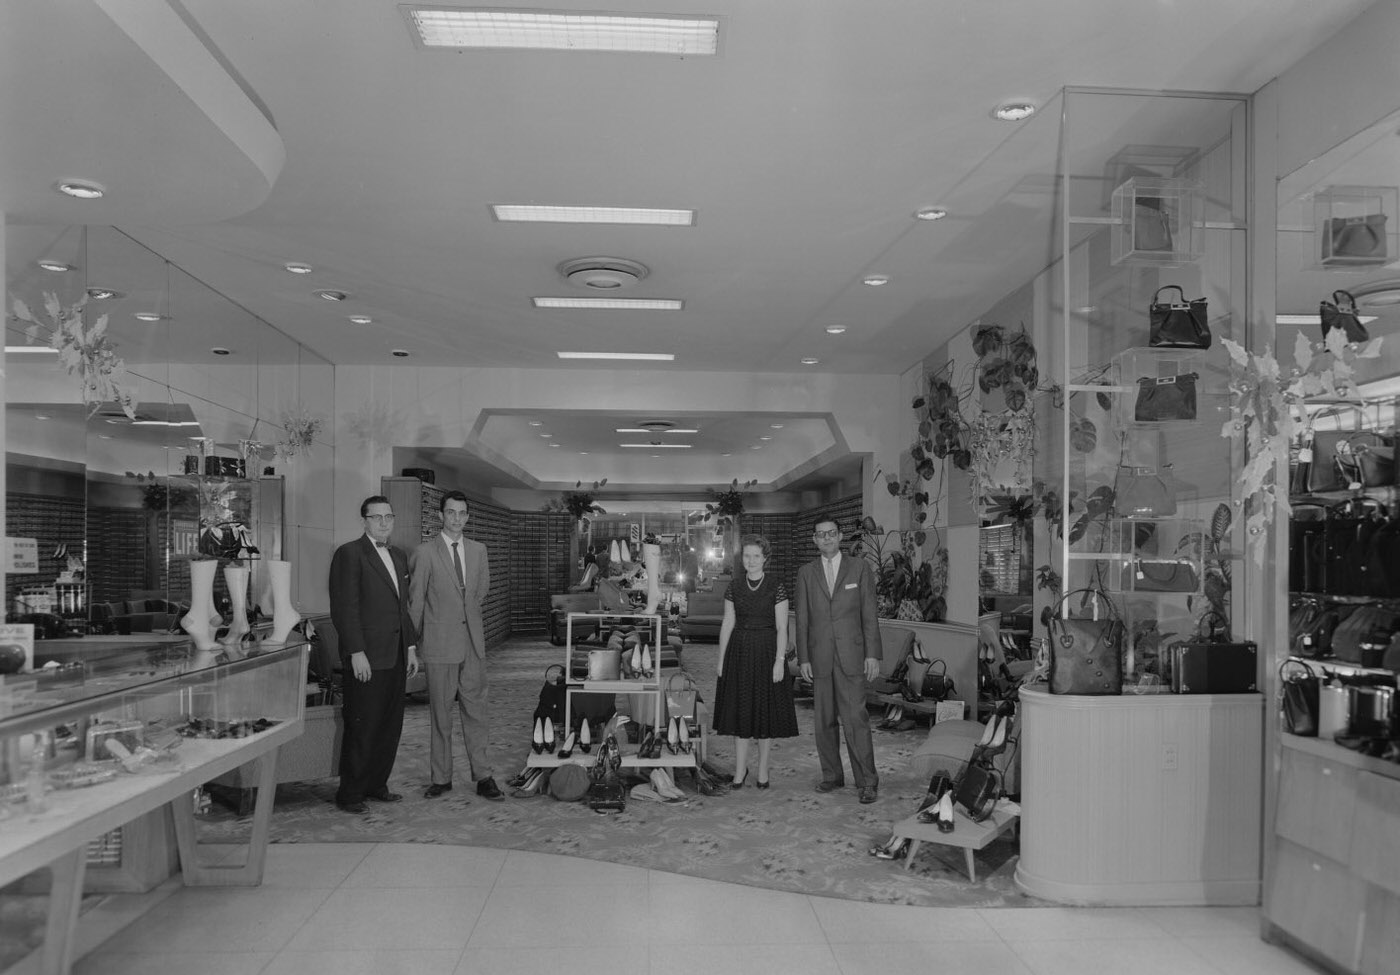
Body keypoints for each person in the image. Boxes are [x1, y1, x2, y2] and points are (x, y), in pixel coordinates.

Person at [407, 490, 502, 801]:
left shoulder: (479, 550)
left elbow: (480, 591)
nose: (457, 518)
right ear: (440, 516)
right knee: (441, 715)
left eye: (462, 513)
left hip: (473, 645)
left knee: (477, 713)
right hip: (439, 645)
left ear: (468, 517)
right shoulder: (425, 553)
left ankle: (484, 775)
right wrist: (412, 645)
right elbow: (416, 601)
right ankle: (441, 777)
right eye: (451, 513)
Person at [329, 495, 420, 813]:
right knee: (362, 724)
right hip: (366, 656)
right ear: (364, 520)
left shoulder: (398, 555)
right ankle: (351, 792)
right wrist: (356, 651)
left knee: (389, 724)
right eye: (377, 517)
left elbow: (402, 609)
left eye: (388, 517)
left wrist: (410, 647)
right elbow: (345, 608)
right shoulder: (350, 554)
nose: (384, 522)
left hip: (394, 654)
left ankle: (376, 783)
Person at [794, 517, 883, 804]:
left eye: (831, 533)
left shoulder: (859, 568)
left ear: (840, 536)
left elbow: (869, 615)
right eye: (821, 535)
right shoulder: (806, 573)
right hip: (819, 657)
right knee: (823, 722)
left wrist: (872, 654)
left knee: (856, 720)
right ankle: (831, 775)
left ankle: (867, 781)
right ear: (814, 540)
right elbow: (803, 619)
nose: (827, 538)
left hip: (852, 656)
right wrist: (803, 657)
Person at [712, 534, 798, 788]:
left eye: (756, 556)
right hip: (738, 652)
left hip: (767, 652)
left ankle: (762, 771)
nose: (750, 560)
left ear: (765, 559)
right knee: (741, 713)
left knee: (764, 714)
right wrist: (720, 659)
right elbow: (728, 623)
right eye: (747, 556)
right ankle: (740, 771)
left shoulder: (776, 586)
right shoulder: (734, 586)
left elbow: (782, 628)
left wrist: (779, 661)